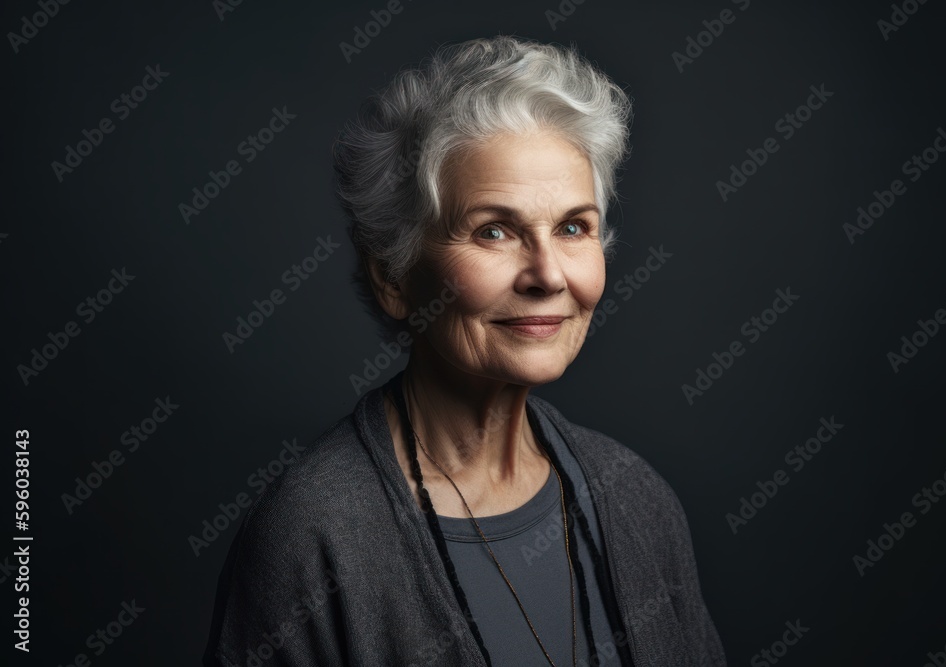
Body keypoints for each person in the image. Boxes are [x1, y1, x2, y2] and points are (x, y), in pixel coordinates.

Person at [204, 34, 725, 667]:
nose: (548, 275)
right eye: (494, 230)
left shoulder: (640, 500)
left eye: (572, 227)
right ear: (393, 277)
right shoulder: (313, 537)